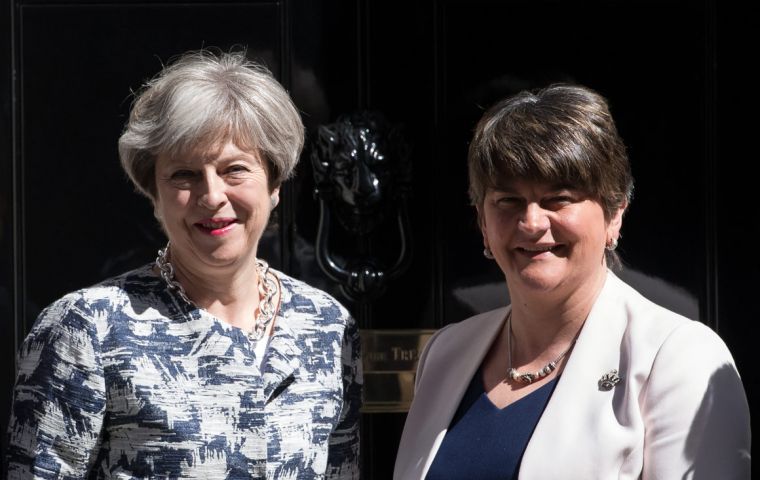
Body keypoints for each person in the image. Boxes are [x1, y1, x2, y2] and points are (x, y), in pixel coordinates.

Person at [6, 49, 361, 479]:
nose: (212, 196)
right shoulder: (87, 328)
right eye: (184, 175)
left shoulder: (327, 325)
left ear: (274, 183)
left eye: (234, 169)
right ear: (153, 193)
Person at [394, 85, 750, 479]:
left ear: (614, 214)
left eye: (558, 198)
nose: (531, 223)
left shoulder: (678, 358)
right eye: (508, 201)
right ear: (482, 222)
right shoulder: (444, 354)